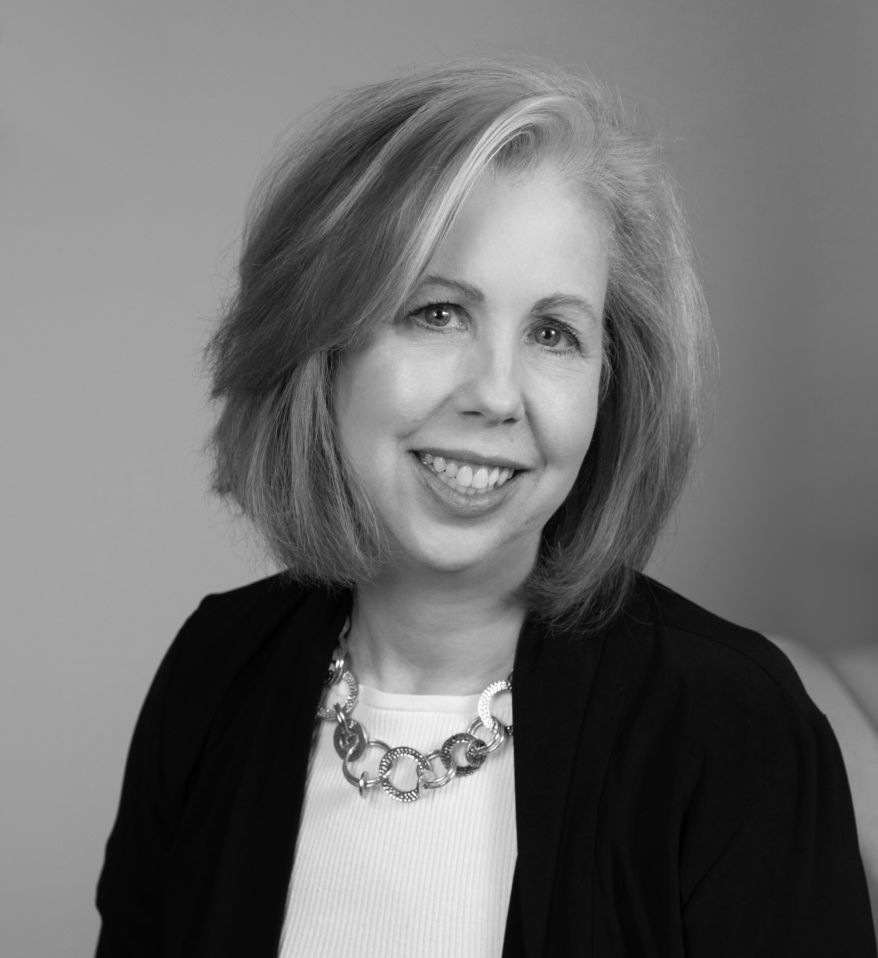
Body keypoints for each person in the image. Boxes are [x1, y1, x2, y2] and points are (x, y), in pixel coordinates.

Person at [95, 58, 877, 958]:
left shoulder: (734, 727)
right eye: (437, 313)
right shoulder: (214, 671)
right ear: (321, 347)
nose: (496, 395)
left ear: (610, 389)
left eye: (554, 334)